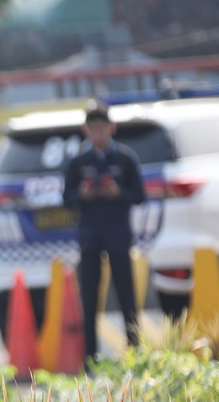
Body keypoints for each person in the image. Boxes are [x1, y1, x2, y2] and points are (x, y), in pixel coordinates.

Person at [63, 108, 146, 365]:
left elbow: (139, 196)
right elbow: (67, 199)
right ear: (86, 131)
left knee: (126, 295)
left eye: (102, 129)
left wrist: (118, 192)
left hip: (118, 234)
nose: (98, 135)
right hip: (90, 236)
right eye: (93, 130)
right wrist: (82, 195)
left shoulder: (125, 158)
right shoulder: (78, 161)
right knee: (89, 296)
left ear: (111, 128)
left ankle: (134, 352)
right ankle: (90, 359)